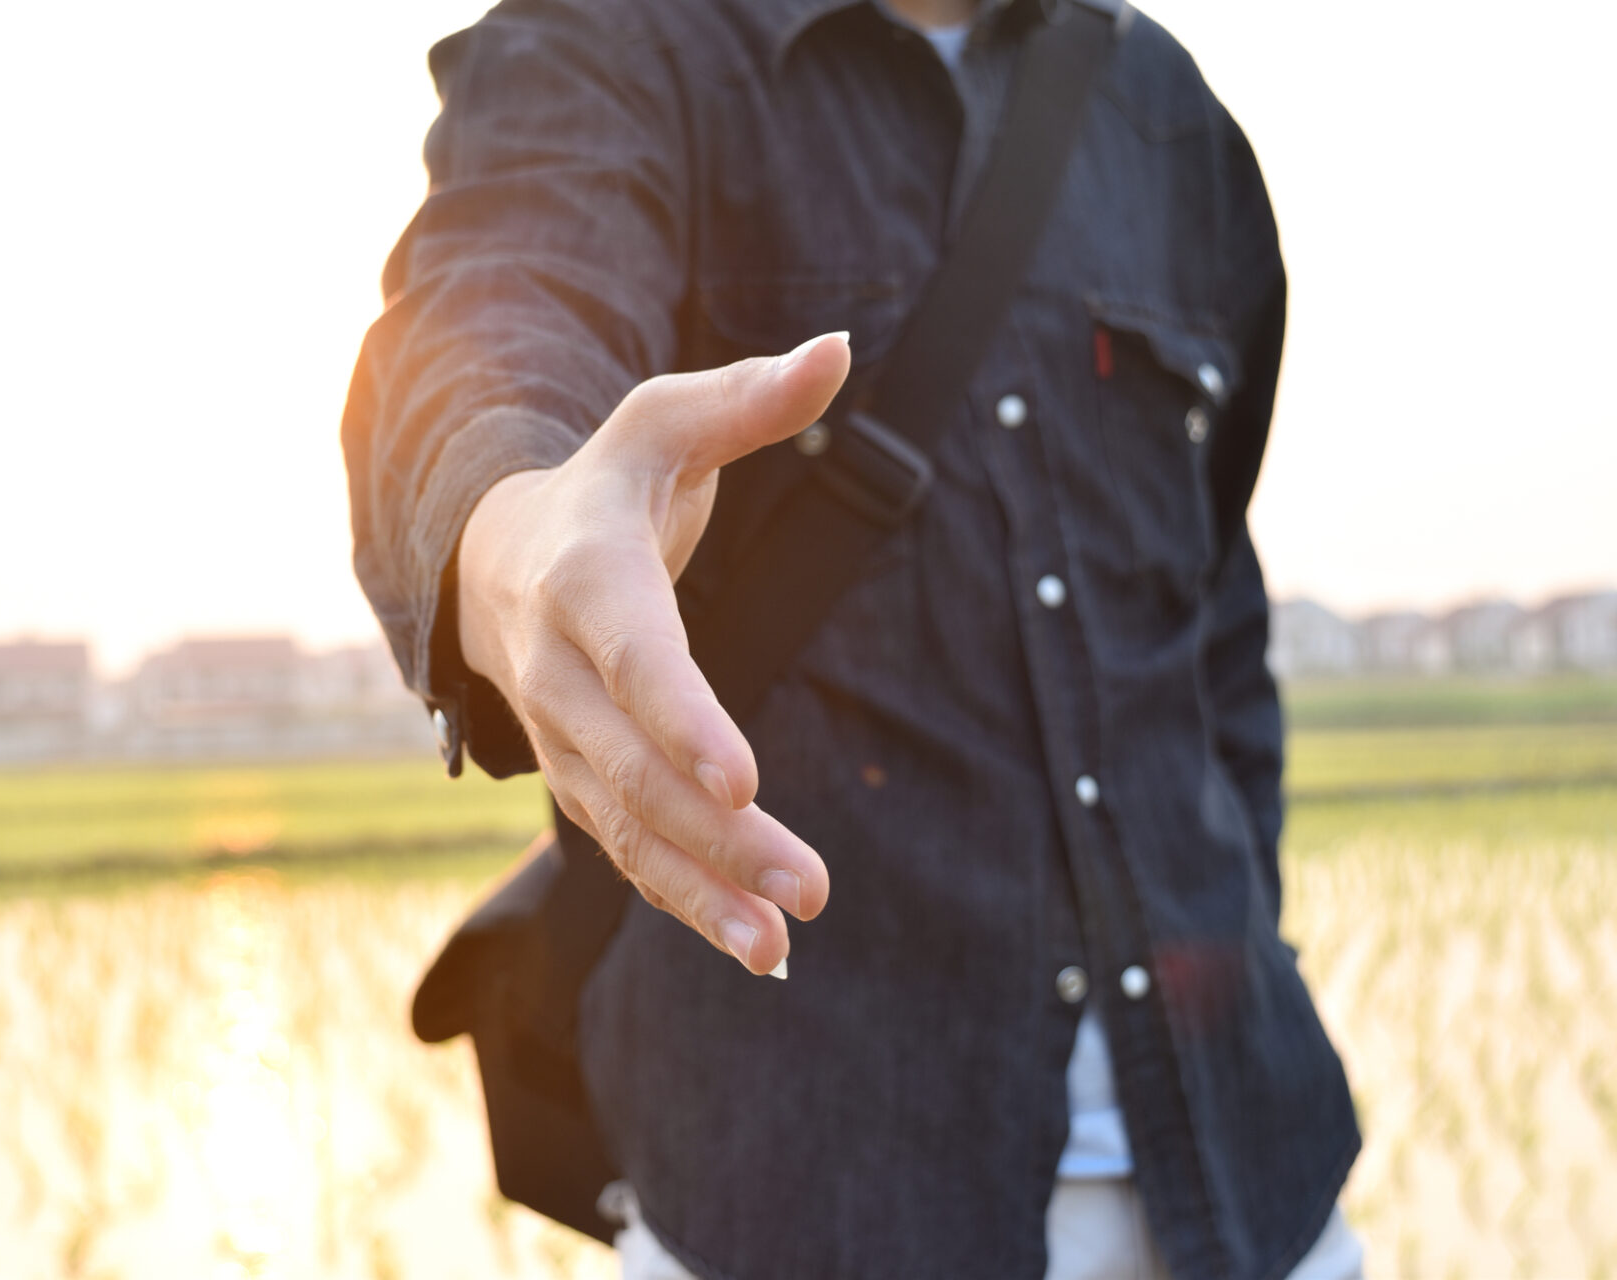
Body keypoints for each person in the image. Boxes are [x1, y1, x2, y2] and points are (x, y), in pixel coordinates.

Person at [343, 0, 1365, 1275]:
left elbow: (1209, 624)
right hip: (800, 1192)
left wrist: (1243, 928)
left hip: (1253, 1184)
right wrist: (520, 530)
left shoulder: (1161, 106)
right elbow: (485, 329)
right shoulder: (613, 42)